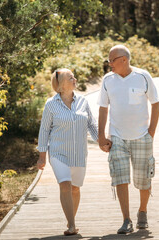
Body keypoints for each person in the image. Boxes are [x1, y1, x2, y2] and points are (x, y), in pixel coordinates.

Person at [36, 68, 110, 236]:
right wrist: (42, 156)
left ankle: (70, 221)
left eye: (73, 77)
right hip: (58, 152)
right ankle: (72, 225)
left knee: (75, 189)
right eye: (71, 78)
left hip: (78, 153)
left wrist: (101, 141)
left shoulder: (83, 101)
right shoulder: (51, 104)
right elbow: (44, 131)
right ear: (61, 84)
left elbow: (91, 124)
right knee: (65, 185)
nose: (74, 79)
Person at [97, 45, 159, 234]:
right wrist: (101, 136)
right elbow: (103, 108)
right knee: (120, 177)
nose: (109, 64)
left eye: (112, 60)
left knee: (143, 179)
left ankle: (142, 211)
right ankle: (126, 219)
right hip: (117, 137)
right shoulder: (108, 80)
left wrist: (151, 133)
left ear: (124, 60)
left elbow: (156, 104)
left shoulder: (143, 77)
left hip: (142, 137)